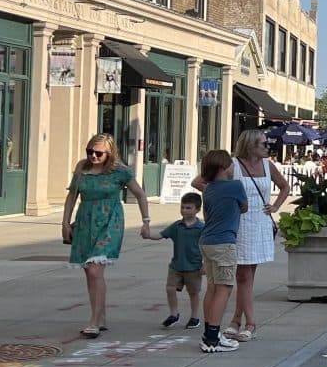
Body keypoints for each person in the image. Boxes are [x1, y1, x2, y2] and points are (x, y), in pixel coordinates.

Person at [194, 130, 290, 342]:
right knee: (242, 276)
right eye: (264, 144)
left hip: (259, 223)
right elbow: (199, 182)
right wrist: (222, 198)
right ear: (250, 145)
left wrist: (275, 206)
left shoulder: (268, 165)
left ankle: (240, 321)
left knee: (247, 276)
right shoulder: (233, 165)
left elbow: (285, 186)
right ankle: (246, 322)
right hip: (237, 223)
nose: (268, 147)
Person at [63, 133, 150, 339]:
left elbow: (140, 194)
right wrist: (65, 222)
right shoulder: (82, 168)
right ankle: (100, 316)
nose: (93, 156)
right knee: (89, 271)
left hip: (110, 222)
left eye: (98, 153)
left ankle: (94, 321)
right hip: (85, 222)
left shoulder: (120, 171)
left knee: (95, 269)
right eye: (90, 151)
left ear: (109, 153)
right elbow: (72, 195)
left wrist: (146, 221)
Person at [198, 150, 247, 353]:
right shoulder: (235, 186)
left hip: (207, 241)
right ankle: (213, 338)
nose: (234, 167)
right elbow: (244, 207)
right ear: (223, 168)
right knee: (224, 288)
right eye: (231, 164)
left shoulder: (208, 189)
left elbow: (207, 214)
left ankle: (209, 332)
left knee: (212, 287)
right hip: (224, 243)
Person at [142, 191, 204, 328]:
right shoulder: (177, 226)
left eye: (188, 208)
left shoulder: (201, 228)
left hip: (194, 267)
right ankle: (174, 314)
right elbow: (160, 235)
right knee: (170, 288)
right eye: (182, 207)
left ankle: (194, 317)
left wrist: (205, 264)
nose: (184, 210)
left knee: (193, 293)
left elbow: (206, 247)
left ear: (197, 210)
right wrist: (148, 235)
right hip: (176, 265)